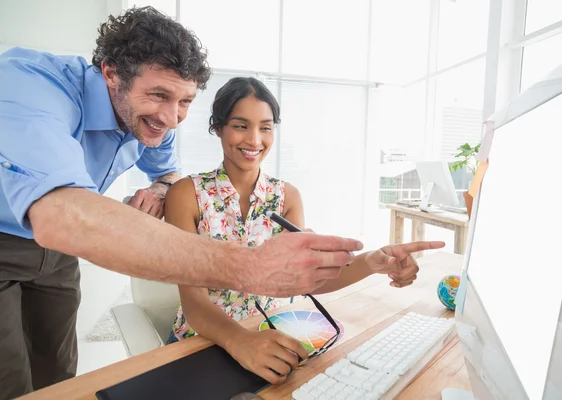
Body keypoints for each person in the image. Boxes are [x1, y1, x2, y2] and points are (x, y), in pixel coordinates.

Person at [0, 7, 362, 399]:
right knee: (9, 379)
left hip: (56, 255)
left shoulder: (157, 119)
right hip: (9, 237)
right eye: (159, 95)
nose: (172, 118)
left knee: (57, 374)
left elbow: (166, 173)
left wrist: (158, 191)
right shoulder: (28, 85)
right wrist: (251, 266)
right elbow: (60, 216)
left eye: (185, 101)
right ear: (110, 73)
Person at [163, 77, 445, 384]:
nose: (255, 140)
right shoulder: (185, 194)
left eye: (266, 127)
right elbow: (194, 303)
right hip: (202, 341)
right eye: (241, 126)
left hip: (267, 338)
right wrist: (240, 341)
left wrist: (371, 261)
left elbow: (306, 280)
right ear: (218, 127)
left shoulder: (287, 197)